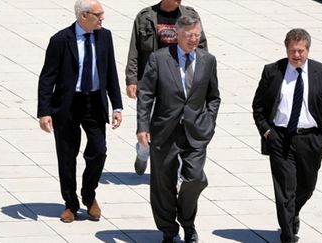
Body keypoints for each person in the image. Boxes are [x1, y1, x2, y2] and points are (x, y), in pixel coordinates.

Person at [37, 0, 123, 223]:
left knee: (98, 151)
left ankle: (89, 195)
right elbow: (47, 78)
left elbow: (110, 71)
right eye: (98, 14)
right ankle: (70, 204)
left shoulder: (105, 36)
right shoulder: (60, 40)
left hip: (94, 102)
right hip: (67, 104)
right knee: (66, 156)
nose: (102, 18)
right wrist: (44, 112)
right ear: (83, 16)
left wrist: (117, 105)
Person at [137, 15, 220, 243]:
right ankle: (168, 230)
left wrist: (209, 121)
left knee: (195, 179)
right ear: (177, 35)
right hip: (165, 131)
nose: (194, 39)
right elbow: (145, 95)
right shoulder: (159, 59)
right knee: (163, 183)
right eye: (189, 35)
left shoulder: (208, 60)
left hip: (195, 132)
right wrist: (142, 126)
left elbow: (214, 97)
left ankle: (187, 222)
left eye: (197, 34)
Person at [252, 28, 322, 243]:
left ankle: (294, 212)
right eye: (292, 51)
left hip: (310, 139)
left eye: (300, 51)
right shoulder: (272, 71)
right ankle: (288, 234)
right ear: (286, 49)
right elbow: (259, 106)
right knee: (285, 189)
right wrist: (267, 131)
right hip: (280, 137)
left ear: (308, 50)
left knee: (306, 186)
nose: (296, 55)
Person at [126, 0, 208, 176]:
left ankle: (175, 167)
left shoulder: (190, 15)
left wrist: (203, 76)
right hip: (151, 75)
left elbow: (201, 45)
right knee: (147, 120)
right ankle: (143, 150)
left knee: (175, 123)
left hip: (179, 76)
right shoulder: (145, 16)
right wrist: (131, 79)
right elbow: (135, 49)